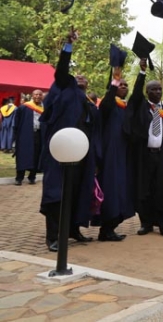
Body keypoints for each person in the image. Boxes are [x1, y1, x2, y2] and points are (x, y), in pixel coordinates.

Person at [38, 28, 98, 252]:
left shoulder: (87, 103)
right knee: (57, 193)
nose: (80, 77)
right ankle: (53, 236)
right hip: (60, 152)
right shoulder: (64, 88)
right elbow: (62, 70)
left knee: (78, 192)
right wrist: (68, 45)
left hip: (81, 155)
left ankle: (73, 229)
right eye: (77, 76)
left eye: (84, 77)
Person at [125, 55, 163, 239]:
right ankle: (146, 223)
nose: (157, 92)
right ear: (147, 92)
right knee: (144, 190)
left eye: (159, 89)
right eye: (153, 89)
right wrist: (142, 72)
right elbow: (136, 94)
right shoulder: (141, 107)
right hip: (145, 155)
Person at [97, 65, 136, 241]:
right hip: (110, 155)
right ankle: (106, 228)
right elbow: (107, 100)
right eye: (121, 85)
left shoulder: (126, 108)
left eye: (126, 85)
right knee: (111, 190)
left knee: (121, 192)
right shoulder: (109, 105)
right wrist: (115, 80)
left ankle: (110, 228)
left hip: (125, 155)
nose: (124, 87)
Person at [12, 90, 44, 185]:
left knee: (36, 155)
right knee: (22, 155)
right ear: (32, 96)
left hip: (39, 134)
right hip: (25, 134)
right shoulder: (24, 107)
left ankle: (32, 177)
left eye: (40, 95)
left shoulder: (44, 108)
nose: (38, 96)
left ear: (42, 96)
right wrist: (16, 135)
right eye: (36, 94)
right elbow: (16, 122)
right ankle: (19, 178)